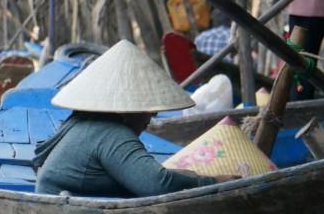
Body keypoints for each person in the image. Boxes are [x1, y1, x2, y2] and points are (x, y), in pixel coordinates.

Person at [34, 39, 237, 197]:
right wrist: (215, 182)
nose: (154, 114)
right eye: (148, 108)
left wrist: (194, 178)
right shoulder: (111, 133)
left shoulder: (83, 121)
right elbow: (157, 184)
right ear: (129, 109)